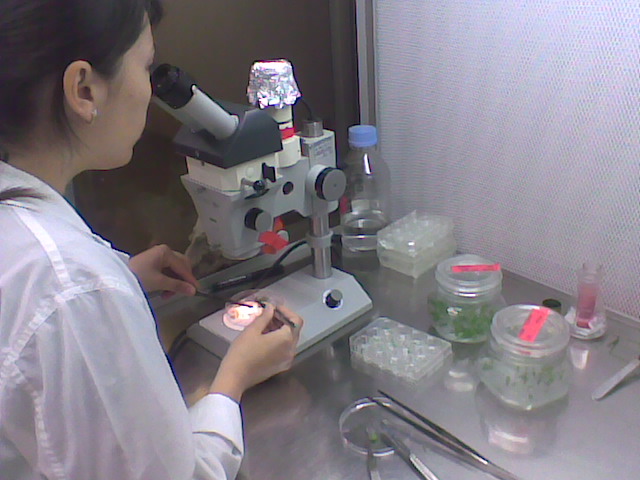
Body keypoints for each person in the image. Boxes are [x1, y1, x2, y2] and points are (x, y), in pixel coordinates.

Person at [0, 1, 303, 479]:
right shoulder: (71, 286)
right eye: (146, 67)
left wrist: (122, 277)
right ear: (83, 89)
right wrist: (231, 380)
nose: (148, 90)